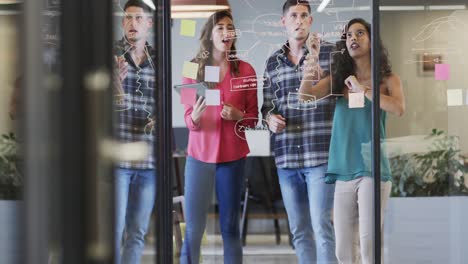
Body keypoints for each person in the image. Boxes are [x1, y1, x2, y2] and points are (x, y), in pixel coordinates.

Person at [179, 10, 258, 264]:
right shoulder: (192, 67)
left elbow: (254, 119)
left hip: (232, 158)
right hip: (199, 156)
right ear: (209, 34)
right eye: (220, 28)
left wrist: (238, 115)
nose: (226, 33)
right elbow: (188, 118)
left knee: (230, 229)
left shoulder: (245, 70)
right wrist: (196, 117)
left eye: (230, 28)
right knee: (193, 229)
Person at [261, 1, 337, 263]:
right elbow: (266, 107)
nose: (299, 20)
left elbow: (340, 96)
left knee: (322, 227)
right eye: (293, 15)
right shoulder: (272, 63)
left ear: (311, 21)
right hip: (286, 159)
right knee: (299, 231)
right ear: (284, 21)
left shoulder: (330, 54)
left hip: (320, 155)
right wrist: (270, 119)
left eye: (304, 15)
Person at [324, 18, 405, 264]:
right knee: (343, 251)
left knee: (369, 245)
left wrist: (363, 89)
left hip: (373, 169)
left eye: (360, 33)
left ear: (371, 41)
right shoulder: (338, 81)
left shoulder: (388, 80)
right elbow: (307, 95)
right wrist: (309, 67)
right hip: (342, 170)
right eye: (349, 35)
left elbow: (399, 108)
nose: (353, 38)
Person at [113, 1, 156, 263]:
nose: (133, 23)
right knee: (113, 231)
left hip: (149, 160)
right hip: (117, 158)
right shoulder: (109, 56)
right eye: (128, 18)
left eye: (139, 18)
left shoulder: (159, 59)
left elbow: (166, 102)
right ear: (122, 23)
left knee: (138, 232)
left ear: (149, 24)